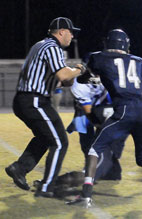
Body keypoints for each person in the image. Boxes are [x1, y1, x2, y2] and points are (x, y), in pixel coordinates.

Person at [66, 29, 142, 207]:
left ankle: (86, 194)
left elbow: (85, 78)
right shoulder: (140, 62)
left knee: (94, 150)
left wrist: (89, 77)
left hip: (124, 109)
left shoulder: (98, 57)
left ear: (108, 43)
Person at [5, 17, 85, 197]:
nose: (72, 36)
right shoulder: (52, 47)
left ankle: (19, 168)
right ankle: (47, 186)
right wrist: (80, 69)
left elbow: (63, 82)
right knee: (59, 142)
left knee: (46, 137)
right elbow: (65, 76)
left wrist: (74, 73)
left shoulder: (40, 45)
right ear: (61, 32)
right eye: (71, 32)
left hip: (28, 100)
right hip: (34, 100)